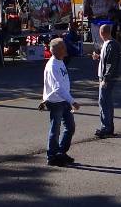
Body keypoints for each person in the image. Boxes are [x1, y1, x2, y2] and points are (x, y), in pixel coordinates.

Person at [42, 38, 80, 166]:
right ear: (57, 50)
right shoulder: (53, 66)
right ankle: (52, 156)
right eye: (63, 47)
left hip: (64, 100)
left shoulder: (60, 61)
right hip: (56, 101)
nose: (66, 49)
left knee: (70, 127)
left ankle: (61, 152)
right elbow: (57, 88)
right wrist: (72, 101)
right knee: (55, 128)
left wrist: (68, 98)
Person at [92, 24, 121, 138]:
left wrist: (105, 79)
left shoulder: (111, 45)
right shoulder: (107, 44)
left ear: (102, 33)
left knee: (104, 102)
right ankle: (108, 127)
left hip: (107, 78)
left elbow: (111, 64)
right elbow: (107, 60)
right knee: (106, 101)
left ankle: (106, 128)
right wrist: (98, 57)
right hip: (105, 77)